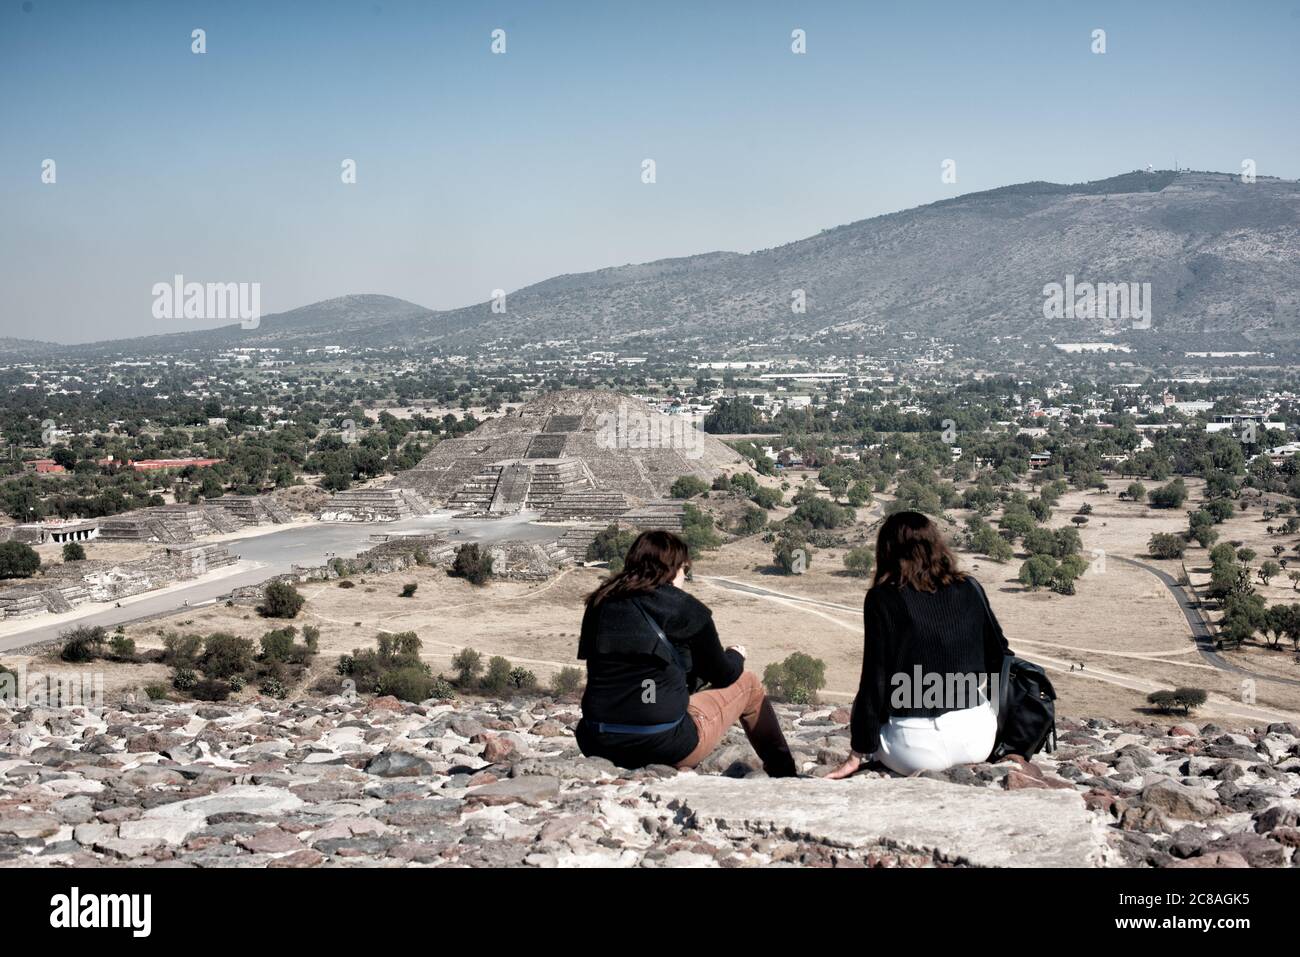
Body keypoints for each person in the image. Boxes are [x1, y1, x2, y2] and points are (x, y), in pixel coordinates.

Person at [575, 529, 796, 777]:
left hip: (596, 740)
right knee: (749, 684)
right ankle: (785, 772)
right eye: (685, 570)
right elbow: (724, 675)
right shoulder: (684, 608)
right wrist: (736, 655)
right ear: (675, 569)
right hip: (667, 744)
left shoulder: (599, 601)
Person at [828, 511, 1009, 779]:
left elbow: (874, 681)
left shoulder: (882, 598)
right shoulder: (970, 587)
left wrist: (858, 752)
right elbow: (998, 653)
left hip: (914, 748)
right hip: (977, 739)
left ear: (887, 551)